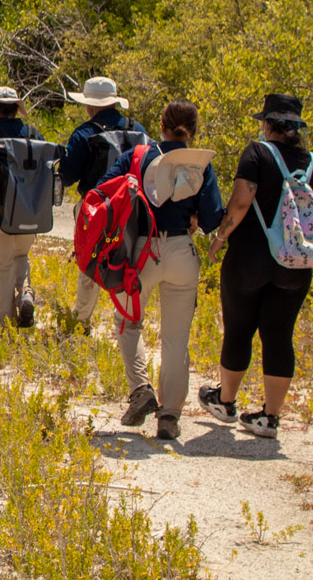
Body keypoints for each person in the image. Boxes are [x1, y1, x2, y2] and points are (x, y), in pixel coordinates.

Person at [199, 93, 313, 439]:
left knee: (239, 328)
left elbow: (242, 201)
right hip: (295, 265)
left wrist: (220, 237)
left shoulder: (257, 152)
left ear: (268, 124)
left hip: (249, 260)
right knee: (279, 335)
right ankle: (269, 418)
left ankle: (225, 402)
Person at [98, 99, 224, 440]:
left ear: (161, 124)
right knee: (176, 339)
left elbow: (103, 191)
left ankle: (141, 387)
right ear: (194, 130)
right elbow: (214, 217)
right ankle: (169, 416)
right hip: (183, 250)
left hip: (143, 250)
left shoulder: (137, 156)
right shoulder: (200, 164)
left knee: (127, 322)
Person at [60, 76, 149, 333]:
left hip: (96, 207)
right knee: (129, 259)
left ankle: (82, 320)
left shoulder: (85, 133)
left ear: (90, 105)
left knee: (90, 260)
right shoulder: (139, 129)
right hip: (134, 205)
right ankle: (125, 318)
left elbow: (67, 176)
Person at [0, 86, 44, 328]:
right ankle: (25, 293)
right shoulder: (33, 134)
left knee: (3, 268)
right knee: (21, 255)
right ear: (17, 109)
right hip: (29, 209)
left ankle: (5, 325)